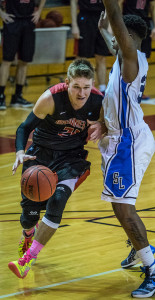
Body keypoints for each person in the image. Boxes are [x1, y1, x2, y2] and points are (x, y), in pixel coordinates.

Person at [97, 1, 155, 297]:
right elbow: (108, 26)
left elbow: (114, 15)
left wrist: (110, 8)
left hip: (128, 141)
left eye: (119, 34)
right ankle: (140, 249)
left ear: (128, 37)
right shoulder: (125, 54)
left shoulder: (132, 58)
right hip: (119, 140)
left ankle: (154, 271)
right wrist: (104, 24)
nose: (115, 38)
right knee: (121, 205)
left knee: (123, 209)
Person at [8, 59, 104, 279]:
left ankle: (27, 260)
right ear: (67, 82)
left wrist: (103, 126)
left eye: (87, 87)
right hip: (40, 154)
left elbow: (112, 124)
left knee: (58, 200)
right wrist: (20, 153)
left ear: (92, 85)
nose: (82, 93)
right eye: (77, 87)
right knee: (29, 216)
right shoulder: (50, 99)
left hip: (71, 158)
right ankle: (28, 233)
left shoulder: (98, 101)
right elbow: (24, 127)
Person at [0, 0, 46, 110]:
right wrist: (1, 13)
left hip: (29, 22)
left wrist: (39, 11)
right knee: (7, 60)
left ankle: (17, 96)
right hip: (12, 21)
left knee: (24, 61)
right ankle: (1, 97)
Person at [119, 0, 155, 100]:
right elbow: (119, 4)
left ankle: (139, 90)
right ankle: (125, 90)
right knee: (129, 59)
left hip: (144, 23)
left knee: (142, 60)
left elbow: (153, 7)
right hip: (129, 23)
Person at [70, 0, 110, 95]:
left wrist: (110, 24)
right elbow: (73, 2)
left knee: (101, 56)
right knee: (81, 57)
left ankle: (102, 89)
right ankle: (75, 87)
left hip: (102, 19)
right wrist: (74, 25)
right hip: (85, 17)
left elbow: (111, 5)